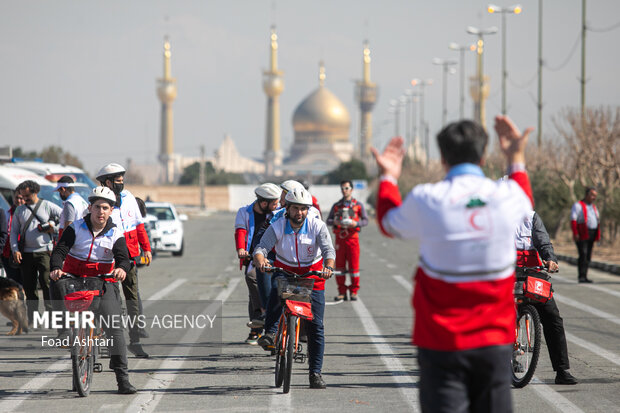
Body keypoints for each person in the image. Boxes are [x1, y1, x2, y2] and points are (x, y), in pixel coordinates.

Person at [372, 116, 534, 413]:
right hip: (494, 342)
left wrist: (388, 178)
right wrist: (516, 157)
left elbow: (387, 222)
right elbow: (525, 198)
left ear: (443, 158)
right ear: (484, 156)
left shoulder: (427, 199)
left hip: (440, 343)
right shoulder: (507, 196)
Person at [50, 186, 137, 394]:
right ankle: (63, 330)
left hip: (103, 281)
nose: (101, 212)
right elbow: (60, 250)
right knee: (54, 284)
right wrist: (56, 268)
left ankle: (122, 380)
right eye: (97, 207)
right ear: (90, 208)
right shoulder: (76, 228)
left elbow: (124, 257)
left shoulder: (116, 232)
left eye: (105, 208)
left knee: (115, 330)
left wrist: (121, 269)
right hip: (75, 279)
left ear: (111, 211)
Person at [254, 187, 335, 389]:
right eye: (295, 208)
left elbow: (328, 250)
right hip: (286, 272)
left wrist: (328, 268)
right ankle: (272, 331)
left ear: (308, 210)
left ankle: (315, 374)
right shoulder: (277, 226)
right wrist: (261, 261)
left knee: (316, 327)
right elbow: (261, 249)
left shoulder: (317, 226)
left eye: (303, 209)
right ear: (287, 208)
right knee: (275, 288)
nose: (299, 213)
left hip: (313, 276)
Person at [515, 210, 578, 385]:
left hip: (532, 272)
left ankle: (561, 370)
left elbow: (543, 241)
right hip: (503, 272)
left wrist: (550, 259)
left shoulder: (530, 216)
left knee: (553, 318)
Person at [96, 163, 152, 358]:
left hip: (128, 255)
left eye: (122, 181)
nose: (121, 184)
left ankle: (135, 340)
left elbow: (139, 226)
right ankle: (109, 341)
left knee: (132, 297)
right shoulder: (98, 202)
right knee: (110, 301)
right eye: (117, 181)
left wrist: (146, 248)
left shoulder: (129, 198)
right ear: (107, 182)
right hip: (106, 256)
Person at [234, 183, 281, 344]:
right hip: (253, 257)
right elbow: (241, 231)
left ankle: (265, 325)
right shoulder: (244, 212)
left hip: (276, 257)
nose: (277, 205)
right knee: (252, 278)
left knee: (270, 290)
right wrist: (241, 249)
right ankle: (259, 322)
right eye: (274, 202)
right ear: (263, 202)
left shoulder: (278, 213)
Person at [10, 180, 62, 323]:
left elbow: (65, 219)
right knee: (29, 286)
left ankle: (51, 316)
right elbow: (14, 232)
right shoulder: (19, 210)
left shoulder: (47, 206)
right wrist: (15, 250)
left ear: (35, 192)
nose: (25, 198)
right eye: (22, 195)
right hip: (26, 253)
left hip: (45, 252)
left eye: (27, 195)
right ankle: (33, 317)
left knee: (46, 284)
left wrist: (54, 228)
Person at [326, 180, 368, 301]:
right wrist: (335, 221)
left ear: (351, 189)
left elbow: (365, 220)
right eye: (343, 188)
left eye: (347, 188)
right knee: (339, 266)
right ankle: (342, 291)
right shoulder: (336, 206)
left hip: (353, 239)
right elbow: (328, 220)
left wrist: (356, 223)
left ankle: (354, 291)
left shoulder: (358, 205)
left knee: (354, 267)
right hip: (340, 239)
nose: (345, 191)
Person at [570, 187, 600, 283]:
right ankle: (581, 276)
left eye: (595, 196)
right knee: (583, 254)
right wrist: (575, 233)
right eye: (592, 195)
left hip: (592, 233)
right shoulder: (578, 205)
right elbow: (573, 220)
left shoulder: (593, 207)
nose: (594, 197)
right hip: (582, 233)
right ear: (587, 195)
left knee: (588, 256)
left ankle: (585, 276)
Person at [2, 190, 25, 283]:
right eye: (17, 198)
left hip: (25, 252)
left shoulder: (28, 214)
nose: (19, 200)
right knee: (12, 281)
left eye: (21, 198)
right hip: (9, 253)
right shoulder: (7, 214)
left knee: (25, 281)